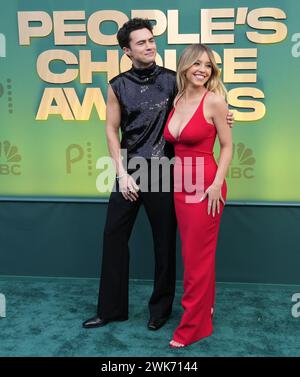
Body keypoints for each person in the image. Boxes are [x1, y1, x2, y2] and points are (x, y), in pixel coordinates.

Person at [83, 19, 234, 331]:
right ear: (127, 50)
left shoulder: (172, 81)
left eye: (151, 40)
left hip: (166, 171)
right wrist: (121, 173)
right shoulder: (117, 85)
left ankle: (160, 310)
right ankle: (111, 310)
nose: (149, 46)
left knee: (163, 243)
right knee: (113, 236)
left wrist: (226, 114)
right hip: (130, 169)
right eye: (141, 43)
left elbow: (201, 98)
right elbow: (111, 130)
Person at [163, 44, 232, 348]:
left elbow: (227, 146)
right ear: (185, 66)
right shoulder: (177, 99)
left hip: (205, 185)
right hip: (180, 184)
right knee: (197, 256)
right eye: (197, 64)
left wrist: (218, 183)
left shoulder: (214, 101)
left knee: (195, 259)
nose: (202, 69)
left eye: (208, 65)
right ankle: (206, 309)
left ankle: (194, 327)